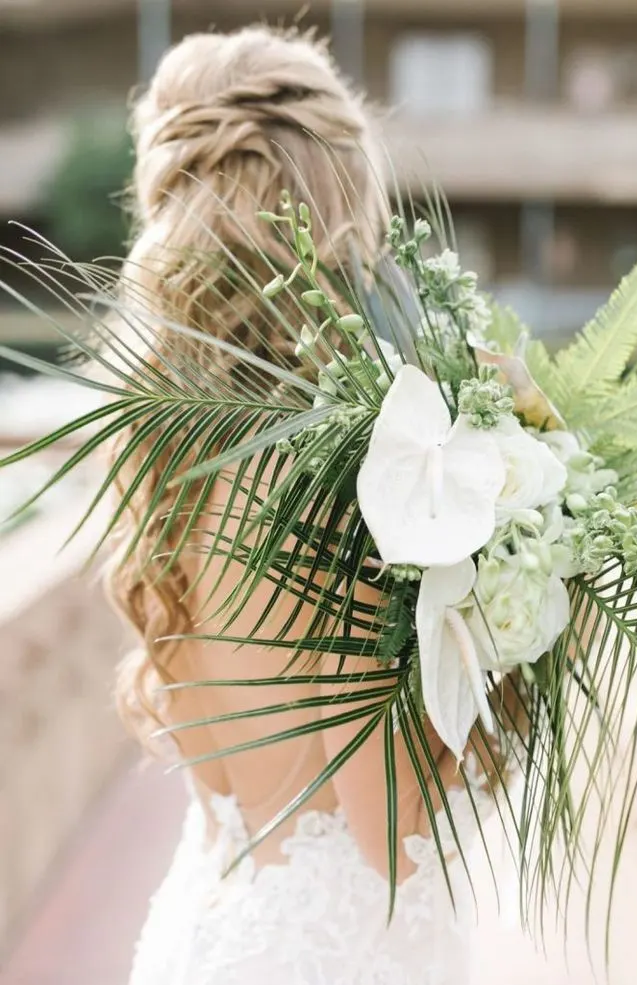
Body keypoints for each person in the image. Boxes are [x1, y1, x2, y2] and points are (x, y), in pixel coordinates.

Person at [112, 25, 494, 985]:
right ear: (340, 208)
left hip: (208, 930)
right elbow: (389, 835)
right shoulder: (358, 481)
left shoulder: (168, 459)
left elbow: (222, 778)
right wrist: (499, 672)